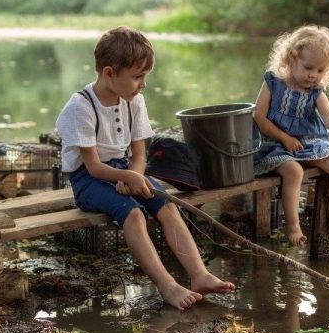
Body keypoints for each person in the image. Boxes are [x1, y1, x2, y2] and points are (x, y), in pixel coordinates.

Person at [56, 27, 235, 310]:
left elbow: (139, 153)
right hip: (89, 179)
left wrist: (134, 175)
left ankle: (199, 274)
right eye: (137, 76)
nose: (143, 84)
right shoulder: (81, 107)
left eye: (145, 76)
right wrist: (124, 176)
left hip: (127, 169)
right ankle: (167, 285)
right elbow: (92, 167)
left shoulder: (134, 101)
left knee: (166, 206)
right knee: (134, 214)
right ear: (109, 73)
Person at [253, 24, 329, 245]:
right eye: (309, 68)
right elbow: (259, 116)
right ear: (291, 60)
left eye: (320, 71)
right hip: (276, 143)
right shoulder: (273, 82)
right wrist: (284, 138)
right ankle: (293, 224)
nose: (313, 76)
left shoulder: (316, 92)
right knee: (293, 171)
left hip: (309, 143)